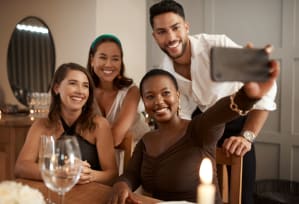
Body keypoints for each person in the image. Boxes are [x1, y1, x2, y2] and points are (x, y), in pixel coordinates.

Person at [148, 1, 277, 203]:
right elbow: (182, 117)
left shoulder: (216, 47)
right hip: (201, 129)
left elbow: (264, 90)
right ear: (155, 36)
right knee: (197, 195)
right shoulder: (164, 72)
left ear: (186, 27)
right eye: (162, 31)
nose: (171, 37)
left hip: (238, 123)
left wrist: (247, 136)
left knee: (242, 197)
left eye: (175, 28)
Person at [108, 62, 279, 204]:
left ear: (178, 96)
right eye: (150, 96)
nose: (158, 101)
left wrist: (245, 97)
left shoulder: (199, 129)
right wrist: (122, 184)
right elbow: (131, 174)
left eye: (166, 93)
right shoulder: (147, 140)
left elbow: (216, 114)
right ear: (144, 103)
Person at [15, 63, 118, 185]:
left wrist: (89, 174)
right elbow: (20, 167)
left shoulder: (100, 125)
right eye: (73, 83)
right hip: (53, 193)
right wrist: (59, 173)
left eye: (85, 86)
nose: (80, 91)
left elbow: (113, 175)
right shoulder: (41, 125)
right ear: (56, 88)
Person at [87, 34, 150, 171]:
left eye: (115, 59)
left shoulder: (132, 92)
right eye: (103, 57)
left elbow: (115, 138)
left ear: (121, 63)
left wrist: (91, 134)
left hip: (137, 158)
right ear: (92, 60)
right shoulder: (85, 92)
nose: (109, 64)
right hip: (102, 160)